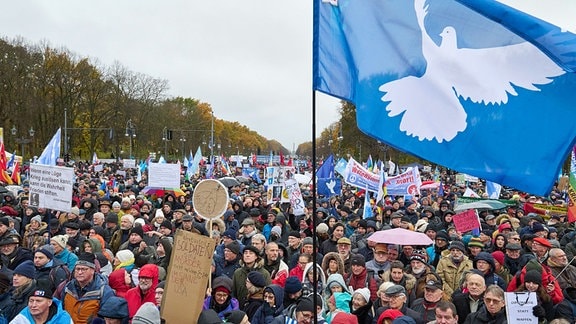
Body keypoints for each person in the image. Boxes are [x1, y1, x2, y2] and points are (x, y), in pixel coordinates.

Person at [59, 252, 115, 324]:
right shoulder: (68, 287)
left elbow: (107, 318)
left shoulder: (104, 291)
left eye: (84, 269)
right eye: (77, 269)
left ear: (92, 270)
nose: (79, 272)